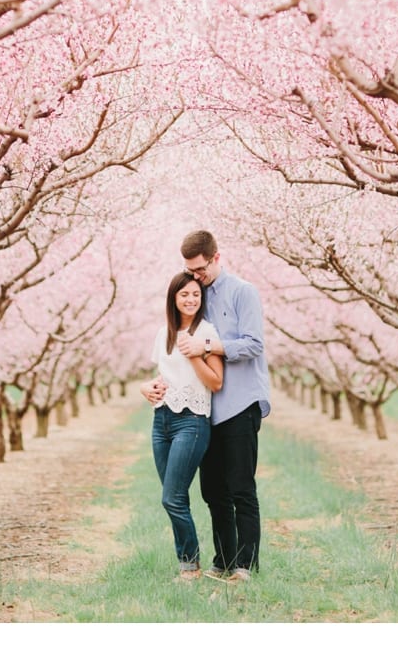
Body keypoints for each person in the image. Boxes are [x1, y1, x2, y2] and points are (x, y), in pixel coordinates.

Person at [144, 230, 270, 582]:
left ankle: (245, 566)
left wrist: (208, 347)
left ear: (216, 258)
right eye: (189, 271)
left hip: (239, 403)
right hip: (206, 410)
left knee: (240, 487)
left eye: (200, 269)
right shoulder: (200, 295)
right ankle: (223, 562)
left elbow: (253, 344)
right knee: (213, 492)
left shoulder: (242, 292)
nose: (195, 277)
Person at [150, 271, 224, 581]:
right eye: (184, 295)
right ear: (174, 299)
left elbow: (216, 382)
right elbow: (162, 376)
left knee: (172, 497)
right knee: (172, 496)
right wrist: (147, 389)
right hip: (161, 419)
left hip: (191, 421)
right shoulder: (163, 333)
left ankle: (189, 565)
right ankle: (188, 562)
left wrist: (195, 353)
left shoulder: (207, 332)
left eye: (195, 294)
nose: (191, 299)